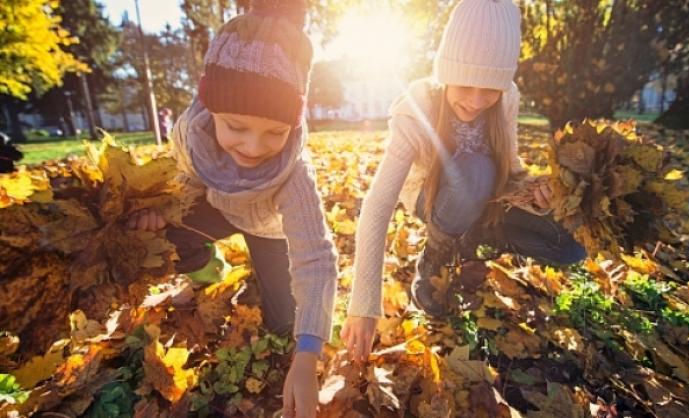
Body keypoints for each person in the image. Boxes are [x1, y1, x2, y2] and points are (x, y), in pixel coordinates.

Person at [341, 0, 586, 363]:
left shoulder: (507, 100)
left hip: (485, 196)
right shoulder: (418, 107)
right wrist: (363, 305)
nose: (475, 101)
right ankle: (438, 254)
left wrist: (539, 192)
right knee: (473, 171)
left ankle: (472, 238)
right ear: (445, 71)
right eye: (466, 84)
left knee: (571, 244)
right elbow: (378, 205)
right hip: (433, 199)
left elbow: (511, 167)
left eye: (489, 90)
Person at [127, 2, 337, 416]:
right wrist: (160, 214)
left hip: (269, 228)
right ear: (212, 109)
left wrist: (309, 351)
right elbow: (180, 184)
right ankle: (209, 272)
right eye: (236, 127)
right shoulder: (192, 136)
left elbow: (316, 258)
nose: (253, 148)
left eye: (274, 132)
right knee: (170, 236)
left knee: (283, 324)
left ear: (292, 125)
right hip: (216, 208)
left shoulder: (293, 175)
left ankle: (270, 287)